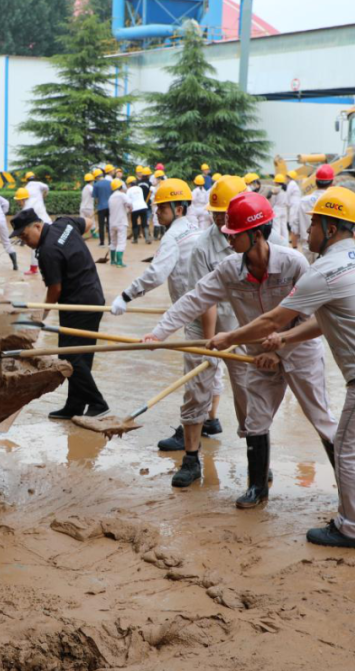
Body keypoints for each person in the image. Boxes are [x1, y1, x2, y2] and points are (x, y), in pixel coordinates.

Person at [207, 187, 355, 548]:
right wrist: (286, 340)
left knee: (349, 450)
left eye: (314, 224)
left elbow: (272, 319)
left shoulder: (323, 271)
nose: (307, 231)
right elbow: (326, 321)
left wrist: (228, 337)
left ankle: (353, 528)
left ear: (331, 228)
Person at [148, 191, 337, 505]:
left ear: (257, 234)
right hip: (258, 355)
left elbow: (311, 317)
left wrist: (278, 351)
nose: (228, 239)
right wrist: (158, 333)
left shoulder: (293, 263)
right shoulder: (229, 269)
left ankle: (347, 488)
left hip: (299, 351)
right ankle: (257, 488)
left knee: (320, 418)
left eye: (235, 234)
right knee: (255, 420)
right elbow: (195, 299)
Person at [111, 179, 208, 486]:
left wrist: (126, 295)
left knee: (196, 379)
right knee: (212, 371)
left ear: (178, 209)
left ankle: (191, 453)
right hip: (206, 308)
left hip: (195, 312)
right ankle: (210, 422)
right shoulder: (196, 228)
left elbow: (156, 273)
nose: (156, 213)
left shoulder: (174, 236)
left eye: (161, 208)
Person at [153, 175, 248, 454]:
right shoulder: (203, 245)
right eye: (215, 214)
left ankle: (257, 458)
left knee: (247, 389)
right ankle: (191, 457)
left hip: (242, 322)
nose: (219, 220)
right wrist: (209, 346)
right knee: (197, 386)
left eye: (224, 214)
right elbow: (204, 299)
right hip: (201, 318)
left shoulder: (268, 239)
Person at [11, 209, 109, 420]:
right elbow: (89, 223)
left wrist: (41, 315)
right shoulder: (64, 223)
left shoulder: (47, 251)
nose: (25, 242)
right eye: (21, 239)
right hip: (94, 296)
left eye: (25, 236)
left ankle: (97, 403)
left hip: (78, 305)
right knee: (82, 355)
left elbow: (55, 290)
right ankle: (75, 405)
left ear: (37, 226)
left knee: (69, 356)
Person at [294, 165, 334, 264]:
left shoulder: (303, 201)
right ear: (332, 182)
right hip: (325, 246)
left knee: (307, 271)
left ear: (316, 181)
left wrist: (294, 245)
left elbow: (295, 224)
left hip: (306, 244)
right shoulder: (332, 202)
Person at [23, 172, 52, 275]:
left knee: (34, 245)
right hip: (48, 222)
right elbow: (46, 187)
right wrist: (44, 195)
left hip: (37, 224)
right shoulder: (39, 184)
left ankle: (33, 268)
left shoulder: (26, 190)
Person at [107, 179, 131, 268]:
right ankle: (119, 262)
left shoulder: (111, 197)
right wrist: (129, 208)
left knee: (113, 242)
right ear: (121, 187)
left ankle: (113, 261)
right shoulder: (122, 195)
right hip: (121, 222)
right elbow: (129, 203)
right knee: (121, 242)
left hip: (112, 223)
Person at [93, 165, 114, 247]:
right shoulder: (110, 183)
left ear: (96, 177)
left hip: (101, 207)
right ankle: (110, 242)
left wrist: (97, 206)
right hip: (110, 207)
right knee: (109, 224)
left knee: (101, 225)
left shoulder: (96, 185)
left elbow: (96, 199)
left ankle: (102, 243)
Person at [127, 175, 150, 244]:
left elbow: (128, 201)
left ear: (129, 184)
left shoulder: (129, 190)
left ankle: (135, 239)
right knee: (144, 223)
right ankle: (147, 239)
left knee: (134, 223)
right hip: (143, 206)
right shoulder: (139, 188)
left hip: (134, 208)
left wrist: (128, 209)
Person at [270, 173, 290, 245]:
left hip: (277, 209)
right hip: (284, 209)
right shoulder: (286, 189)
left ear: (277, 182)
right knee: (284, 227)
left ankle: (277, 244)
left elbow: (272, 201)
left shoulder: (276, 190)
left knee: (276, 227)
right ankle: (286, 243)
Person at [284, 171, 302, 243]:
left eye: (287, 177)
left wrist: (287, 204)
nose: (286, 178)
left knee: (293, 222)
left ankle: (294, 240)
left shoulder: (291, 184)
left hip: (294, 206)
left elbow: (288, 194)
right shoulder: (294, 184)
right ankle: (295, 238)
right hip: (295, 205)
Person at [150, 169, 167, 240]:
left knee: (156, 220)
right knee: (162, 219)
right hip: (163, 205)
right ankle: (162, 235)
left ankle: (156, 236)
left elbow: (155, 195)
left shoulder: (158, 187)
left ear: (158, 178)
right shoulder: (165, 185)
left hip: (157, 205)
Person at [79, 172, 96, 239]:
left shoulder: (84, 188)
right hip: (89, 207)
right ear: (92, 180)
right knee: (92, 221)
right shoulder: (90, 187)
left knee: (82, 221)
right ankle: (94, 233)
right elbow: (94, 194)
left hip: (82, 207)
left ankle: (80, 234)